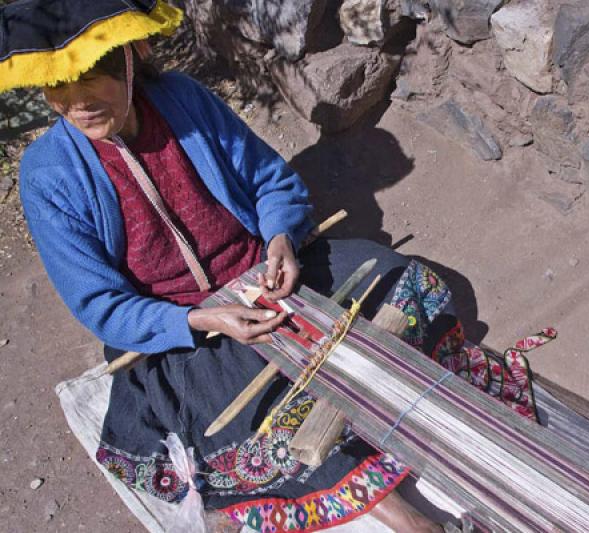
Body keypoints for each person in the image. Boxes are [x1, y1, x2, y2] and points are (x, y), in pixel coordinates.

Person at [4, 1, 464, 531]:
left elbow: (271, 182)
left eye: (92, 78)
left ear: (133, 56)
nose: (76, 103)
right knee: (257, 422)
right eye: (56, 87)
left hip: (264, 274)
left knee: (397, 280)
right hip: (184, 328)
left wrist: (280, 241)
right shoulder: (48, 175)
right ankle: (409, 521)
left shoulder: (183, 101)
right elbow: (99, 304)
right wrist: (201, 320)